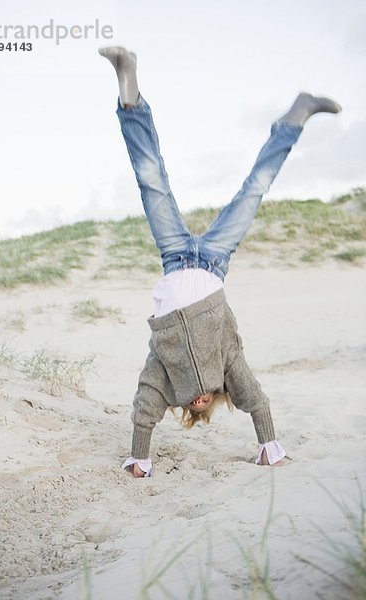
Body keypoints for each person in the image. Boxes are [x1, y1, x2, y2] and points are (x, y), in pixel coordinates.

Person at [98, 46, 341, 478]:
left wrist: (140, 458)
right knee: (254, 190)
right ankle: (294, 119)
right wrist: (269, 447)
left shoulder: (166, 380)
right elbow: (257, 400)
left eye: (195, 407)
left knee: (151, 181)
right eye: (206, 403)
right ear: (214, 397)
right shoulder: (227, 369)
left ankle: (129, 93)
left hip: (174, 259)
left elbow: (143, 406)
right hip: (215, 264)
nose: (198, 401)